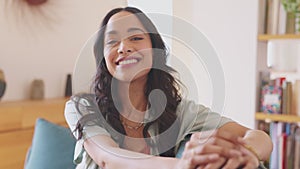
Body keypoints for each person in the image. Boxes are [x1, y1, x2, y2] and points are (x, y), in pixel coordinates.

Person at [65, 6, 272, 169]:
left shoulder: (180, 112)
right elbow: (108, 159)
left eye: (136, 38)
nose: (123, 47)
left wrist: (248, 152)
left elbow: (260, 137)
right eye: (112, 41)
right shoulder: (83, 106)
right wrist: (183, 165)